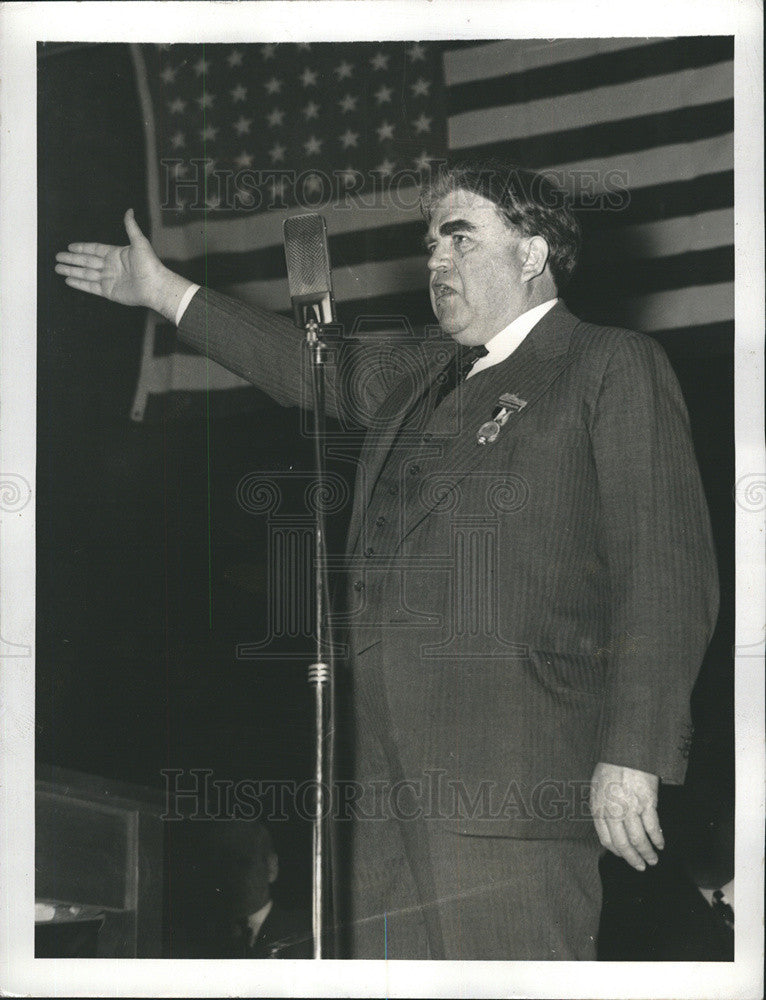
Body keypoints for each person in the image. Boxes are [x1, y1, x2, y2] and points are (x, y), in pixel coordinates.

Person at [55, 161, 719, 960]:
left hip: (509, 786)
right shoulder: (419, 380)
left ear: (534, 253)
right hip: (372, 792)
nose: (437, 259)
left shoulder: (608, 365)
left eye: (461, 237)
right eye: (431, 242)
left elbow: (667, 576)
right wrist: (164, 292)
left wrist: (634, 753)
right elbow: (304, 365)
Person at [164, 818, 311, 958]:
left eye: (244, 863)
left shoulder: (306, 935)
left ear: (271, 867)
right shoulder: (197, 936)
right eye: (223, 864)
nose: (232, 875)